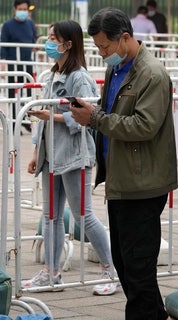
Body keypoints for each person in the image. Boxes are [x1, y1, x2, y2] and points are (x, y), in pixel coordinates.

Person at [69, 7, 177, 319]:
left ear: (125, 38)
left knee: (138, 266)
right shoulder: (117, 69)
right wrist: (94, 112)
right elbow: (114, 111)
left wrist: (96, 118)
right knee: (126, 263)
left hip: (143, 184)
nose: (102, 53)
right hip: (120, 179)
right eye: (98, 47)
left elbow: (144, 126)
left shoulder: (151, 74)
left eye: (105, 46)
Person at [21, 20, 117, 297]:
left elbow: (85, 118)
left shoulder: (79, 77)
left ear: (68, 43)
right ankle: (52, 272)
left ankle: (110, 268)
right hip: (51, 156)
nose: (49, 42)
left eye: (54, 37)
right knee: (50, 216)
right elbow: (42, 120)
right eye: (48, 37)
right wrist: (38, 152)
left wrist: (52, 116)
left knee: (83, 216)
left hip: (74, 156)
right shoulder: (51, 76)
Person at [1, 0, 38, 133]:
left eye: (25, 9)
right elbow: (3, 44)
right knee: (13, 94)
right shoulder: (8, 25)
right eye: (20, 9)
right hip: (13, 64)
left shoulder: (30, 24)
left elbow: (33, 40)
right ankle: (13, 122)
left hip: (27, 63)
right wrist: (3, 62)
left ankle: (26, 120)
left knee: (28, 93)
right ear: (15, 9)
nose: (23, 11)